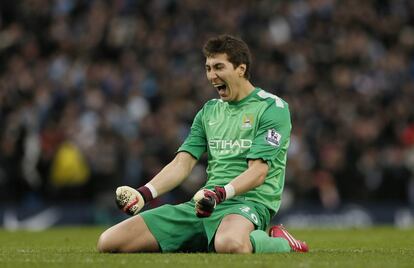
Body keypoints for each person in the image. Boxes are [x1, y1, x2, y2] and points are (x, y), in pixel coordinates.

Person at [97, 34, 308, 254]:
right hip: (204, 205)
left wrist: (220, 194)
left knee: (230, 244)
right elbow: (182, 164)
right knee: (109, 242)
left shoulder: (272, 107)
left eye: (218, 67)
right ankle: (204, 238)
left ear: (241, 69)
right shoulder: (209, 111)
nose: (211, 76)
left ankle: (283, 242)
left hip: (248, 203)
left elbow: (258, 172)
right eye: (208, 68)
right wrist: (144, 194)